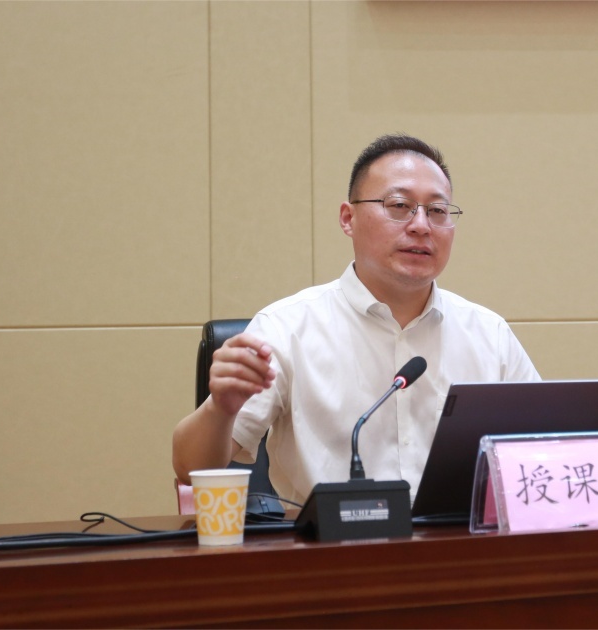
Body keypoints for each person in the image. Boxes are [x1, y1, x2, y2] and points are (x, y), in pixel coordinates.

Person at [172, 133, 540, 505]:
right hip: (329, 541)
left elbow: (546, 451)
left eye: (437, 211)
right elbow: (191, 470)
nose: (421, 225)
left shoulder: (489, 334)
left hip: (461, 541)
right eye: (399, 205)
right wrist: (221, 410)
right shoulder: (286, 329)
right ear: (348, 219)